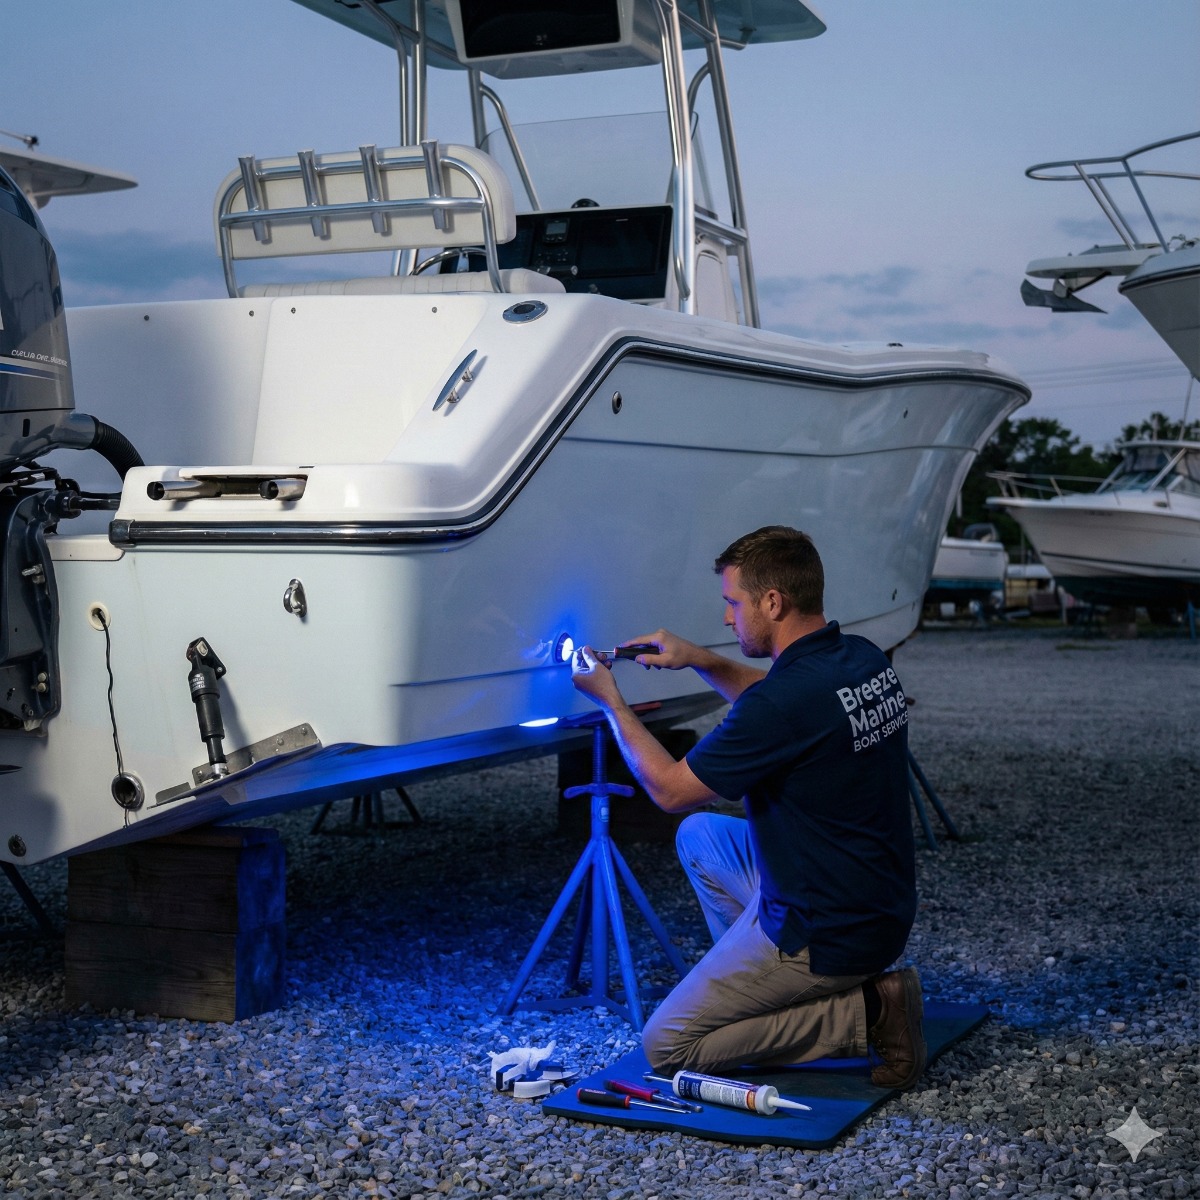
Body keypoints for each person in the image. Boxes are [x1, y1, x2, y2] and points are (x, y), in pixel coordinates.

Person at [570, 525, 925, 1089]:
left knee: (669, 1045)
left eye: (733, 603)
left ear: (773, 602)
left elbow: (667, 790)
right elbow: (779, 702)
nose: (728, 618)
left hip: (827, 931)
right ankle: (763, 990)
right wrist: (697, 660)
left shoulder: (784, 704)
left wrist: (611, 700)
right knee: (701, 836)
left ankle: (867, 1011)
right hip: (874, 900)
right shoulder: (857, 659)